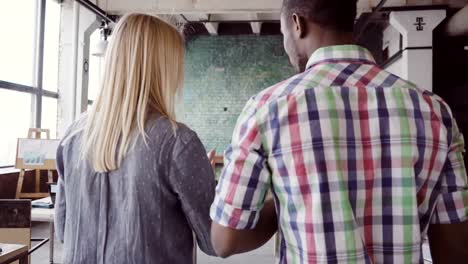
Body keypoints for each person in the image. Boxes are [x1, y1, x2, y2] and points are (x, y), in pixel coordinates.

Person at [210, 0, 468, 263]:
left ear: (297, 24)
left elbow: (225, 239)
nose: (285, 43)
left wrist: (288, 202)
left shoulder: (267, 109)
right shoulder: (434, 111)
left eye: (283, 32)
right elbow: (455, 250)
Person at [55, 14, 216, 264]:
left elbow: (64, 229)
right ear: (163, 69)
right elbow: (214, 240)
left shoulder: (72, 135)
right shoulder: (177, 143)